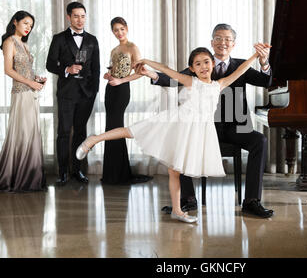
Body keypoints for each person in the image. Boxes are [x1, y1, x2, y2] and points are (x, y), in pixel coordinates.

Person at [75, 45, 268, 223]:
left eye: (206, 62)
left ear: (212, 63)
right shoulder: (191, 81)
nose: (203, 67)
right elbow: (167, 70)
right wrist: (147, 62)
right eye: (197, 64)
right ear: (192, 68)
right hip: (176, 123)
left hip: (194, 132)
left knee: (175, 171)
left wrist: (255, 55)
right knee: (132, 131)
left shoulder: (218, 85)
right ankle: (94, 139)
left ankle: (177, 210)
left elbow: (240, 70)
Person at [144, 24, 274, 218]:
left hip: (236, 126)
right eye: (219, 39)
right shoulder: (202, 64)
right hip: (205, 127)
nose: (223, 43)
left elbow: (267, 81)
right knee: (183, 140)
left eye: (227, 39)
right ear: (212, 42)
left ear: (233, 44)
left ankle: (251, 201)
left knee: (260, 141)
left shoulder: (241, 65)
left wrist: (263, 62)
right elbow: (173, 79)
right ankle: (188, 199)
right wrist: (151, 74)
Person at [0, 11, 47, 193]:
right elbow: (8, 70)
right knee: (22, 133)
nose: (28, 28)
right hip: (21, 94)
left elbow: (25, 70)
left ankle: (30, 177)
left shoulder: (25, 44)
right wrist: (30, 82)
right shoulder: (9, 42)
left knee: (31, 133)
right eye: (25, 23)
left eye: (30, 25)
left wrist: (36, 79)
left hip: (31, 93)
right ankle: (18, 177)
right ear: (15, 22)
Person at [46, 1, 100, 186]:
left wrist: (94, 92)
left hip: (86, 94)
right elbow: (50, 64)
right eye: (76, 16)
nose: (80, 20)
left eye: (83, 16)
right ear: (68, 17)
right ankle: (62, 172)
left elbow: (97, 68)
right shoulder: (59, 38)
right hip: (66, 93)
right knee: (64, 132)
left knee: (80, 133)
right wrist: (67, 69)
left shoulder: (92, 40)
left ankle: (77, 170)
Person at [102, 17, 152, 185]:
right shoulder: (114, 49)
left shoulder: (132, 47)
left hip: (122, 89)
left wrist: (121, 81)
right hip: (110, 88)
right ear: (112, 32)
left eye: (122, 29)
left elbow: (140, 72)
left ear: (127, 28)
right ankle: (111, 173)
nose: (119, 33)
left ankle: (119, 173)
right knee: (110, 127)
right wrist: (109, 76)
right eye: (116, 30)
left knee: (116, 127)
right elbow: (114, 69)